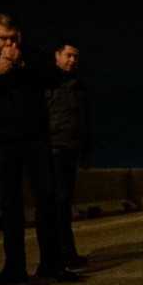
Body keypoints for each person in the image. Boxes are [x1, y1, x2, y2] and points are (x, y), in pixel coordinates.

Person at [0, 12, 81, 285]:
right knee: (10, 206)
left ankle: (51, 264)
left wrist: (22, 63)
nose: (9, 43)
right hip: (1, 142)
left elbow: (53, 76)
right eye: (3, 38)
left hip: (36, 140)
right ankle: (14, 267)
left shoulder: (31, 55)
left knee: (47, 202)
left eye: (13, 38)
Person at [45, 40, 92, 270]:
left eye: (76, 57)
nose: (72, 60)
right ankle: (64, 253)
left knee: (65, 201)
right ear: (57, 55)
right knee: (60, 201)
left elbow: (84, 119)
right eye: (68, 55)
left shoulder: (78, 86)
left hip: (71, 148)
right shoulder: (48, 81)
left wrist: (86, 150)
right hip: (54, 146)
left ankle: (65, 252)